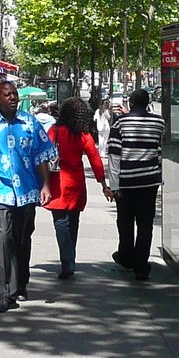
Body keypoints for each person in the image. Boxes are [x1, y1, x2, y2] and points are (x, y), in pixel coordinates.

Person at [0, 81, 57, 313]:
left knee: (22, 239)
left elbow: (41, 156)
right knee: (3, 238)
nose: (12, 98)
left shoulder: (30, 122)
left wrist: (46, 186)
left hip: (27, 191)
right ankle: (1, 292)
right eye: (7, 95)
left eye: (14, 94)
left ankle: (19, 285)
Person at [44, 96, 108, 279]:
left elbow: (42, 154)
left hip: (58, 183)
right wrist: (103, 183)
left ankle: (67, 262)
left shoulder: (54, 131)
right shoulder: (83, 135)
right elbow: (95, 159)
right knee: (74, 221)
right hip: (76, 183)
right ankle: (70, 258)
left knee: (60, 222)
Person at [106, 87, 166, 281]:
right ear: (148, 103)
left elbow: (114, 155)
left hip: (126, 181)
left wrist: (114, 185)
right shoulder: (158, 122)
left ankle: (125, 255)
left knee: (125, 221)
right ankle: (141, 265)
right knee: (145, 223)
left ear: (130, 103)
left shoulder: (120, 123)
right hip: (149, 181)